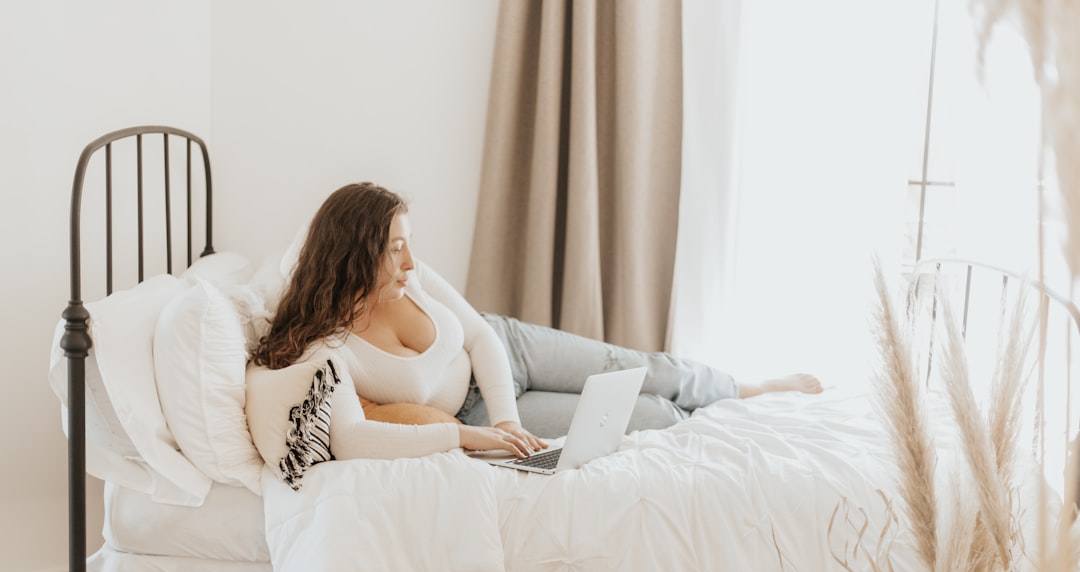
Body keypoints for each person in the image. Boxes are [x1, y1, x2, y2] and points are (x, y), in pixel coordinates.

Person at [250, 182, 822, 462]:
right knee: (648, 415)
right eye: (393, 249)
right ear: (354, 252)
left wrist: (507, 414)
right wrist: (491, 430)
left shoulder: (409, 276)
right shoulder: (328, 348)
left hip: (509, 349)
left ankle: (753, 387)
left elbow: (476, 334)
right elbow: (351, 436)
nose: (407, 261)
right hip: (470, 409)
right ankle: (718, 411)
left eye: (408, 245)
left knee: (650, 369)